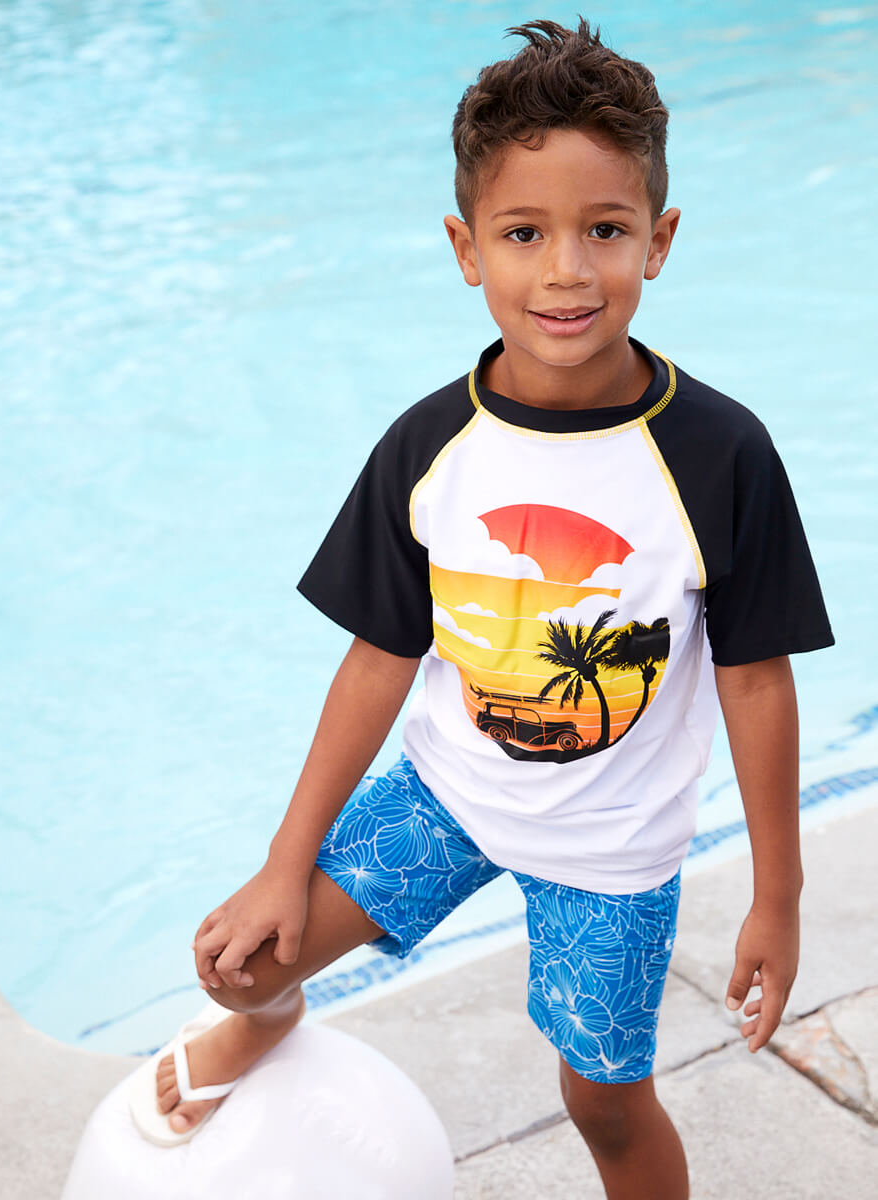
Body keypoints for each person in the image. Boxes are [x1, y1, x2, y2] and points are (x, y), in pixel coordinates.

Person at [145, 19, 833, 1198]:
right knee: (240, 964)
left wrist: (779, 895)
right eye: (524, 233)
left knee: (603, 1105)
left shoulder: (721, 454)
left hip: (612, 855)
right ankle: (270, 1024)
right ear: (467, 249)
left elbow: (756, 678)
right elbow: (377, 660)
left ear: (660, 240)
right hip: (447, 798)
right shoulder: (430, 447)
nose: (566, 271)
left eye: (605, 230)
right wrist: (283, 862)